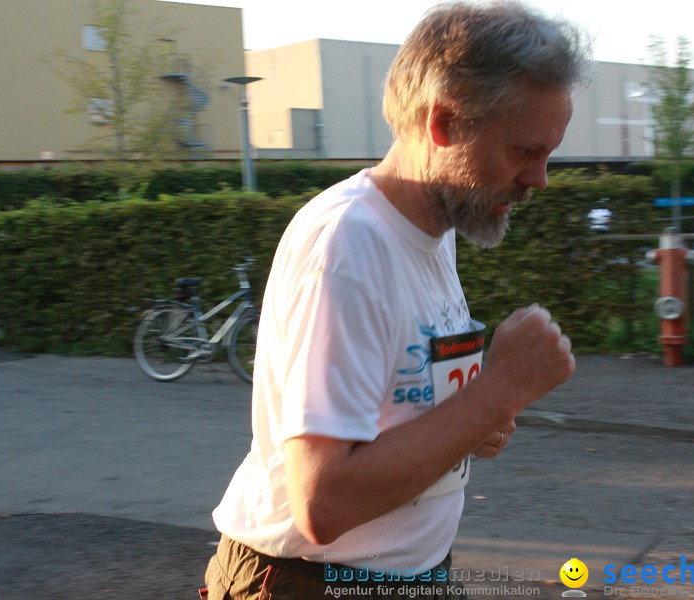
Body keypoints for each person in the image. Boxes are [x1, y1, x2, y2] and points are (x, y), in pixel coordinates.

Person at [204, 2, 589, 599]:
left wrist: (473, 421)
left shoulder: (431, 235)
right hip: (311, 581)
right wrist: (495, 394)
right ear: (444, 123)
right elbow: (323, 503)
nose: (540, 178)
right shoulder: (348, 247)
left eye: (547, 154)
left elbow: (396, 412)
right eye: (524, 151)